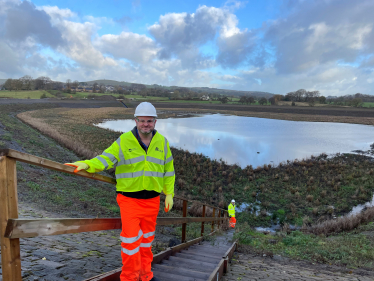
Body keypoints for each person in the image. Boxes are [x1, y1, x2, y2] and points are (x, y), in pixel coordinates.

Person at [65, 102, 175, 281]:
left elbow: (168, 170)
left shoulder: (162, 142)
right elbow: (106, 159)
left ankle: (146, 276)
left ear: (155, 121)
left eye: (149, 121)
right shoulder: (124, 140)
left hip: (153, 201)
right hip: (129, 201)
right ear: (135, 120)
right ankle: (130, 278)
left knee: (146, 242)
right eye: (142, 121)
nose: (145, 124)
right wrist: (87, 164)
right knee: (130, 243)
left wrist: (169, 193)